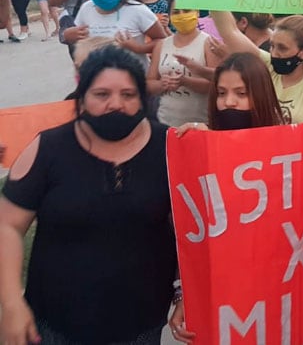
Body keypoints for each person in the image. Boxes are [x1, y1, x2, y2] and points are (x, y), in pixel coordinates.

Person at [0, 45, 177, 344]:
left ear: (142, 97)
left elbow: (193, 232)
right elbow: (8, 226)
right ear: (82, 96)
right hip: (56, 324)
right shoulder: (48, 149)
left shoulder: (172, 147)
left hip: (142, 323)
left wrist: (185, 292)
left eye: (128, 95)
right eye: (102, 94)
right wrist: (11, 303)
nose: (115, 104)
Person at [63, 0, 167, 69]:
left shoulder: (137, 10)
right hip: (98, 79)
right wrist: (68, 35)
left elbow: (162, 40)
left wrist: (138, 48)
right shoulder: (86, 9)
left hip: (134, 80)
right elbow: (78, 39)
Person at [146, 8, 220, 127]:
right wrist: (162, 84)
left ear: (197, 12)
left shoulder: (209, 44)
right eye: (176, 12)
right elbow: (149, 83)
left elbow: (214, 84)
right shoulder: (161, 45)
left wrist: (185, 81)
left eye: (186, 11)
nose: (182, 16)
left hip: (199, 122)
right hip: (165, 120)